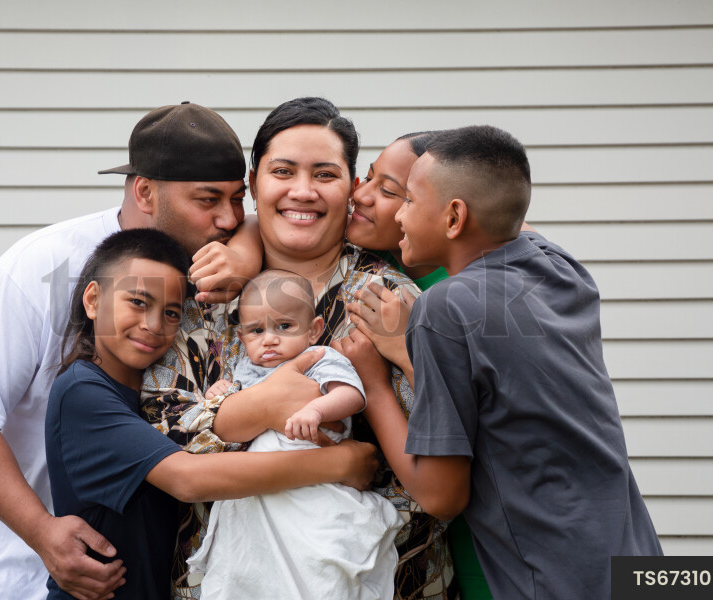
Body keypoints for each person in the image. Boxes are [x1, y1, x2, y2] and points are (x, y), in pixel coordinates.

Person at [0, 101, 260, 600]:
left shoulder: (220, 266)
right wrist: (42, 533)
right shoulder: (42, 265)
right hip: (34, 576)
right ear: (145, 191)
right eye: (208, 199)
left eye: (238, 199)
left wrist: (246, 248)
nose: (228, 218)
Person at [143, 97, 457, 600]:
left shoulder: (388, 300)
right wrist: (260, 409)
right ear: (252, 184)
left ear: (353, 188)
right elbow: (160, 433)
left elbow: (437, 458)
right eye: (283, 171)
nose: (302, 191)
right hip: (222, 580)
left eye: (325, 175)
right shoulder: (198, 295)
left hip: (375, 576)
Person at [341, 125, 663, 599]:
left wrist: (376, 384)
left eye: (406, 199)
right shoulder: (561, 268)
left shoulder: (443, 309)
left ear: (454, 216)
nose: (399, 214)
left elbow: (440, 495)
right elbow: (504, 212)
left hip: (550, 581)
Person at [46, 229, 378, 600]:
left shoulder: (138, 390)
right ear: (93, 300)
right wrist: (339, 462)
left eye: (171, 312)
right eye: (138, 302)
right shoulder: (83, 392)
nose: (154, 324)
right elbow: (188, 480)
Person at [186, 270, 404, 600]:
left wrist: (317, 410)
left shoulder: (318, 358)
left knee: (316, 562)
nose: (269, 339)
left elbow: (352, 395)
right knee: (253, 564)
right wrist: (224, 391)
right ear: (243, 339)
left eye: (284, 326)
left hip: (315, 478)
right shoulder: (246, 369)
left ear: (314, 329)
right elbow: (230, 407)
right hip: (262, 484)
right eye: (257, 331)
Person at [343, 132, 492, 600]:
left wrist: (404, 354)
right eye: (366, 177)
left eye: (392, 192)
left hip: (488, 531)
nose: (360, 195)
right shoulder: (388, 252)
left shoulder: (468, 292)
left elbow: (473, 428)